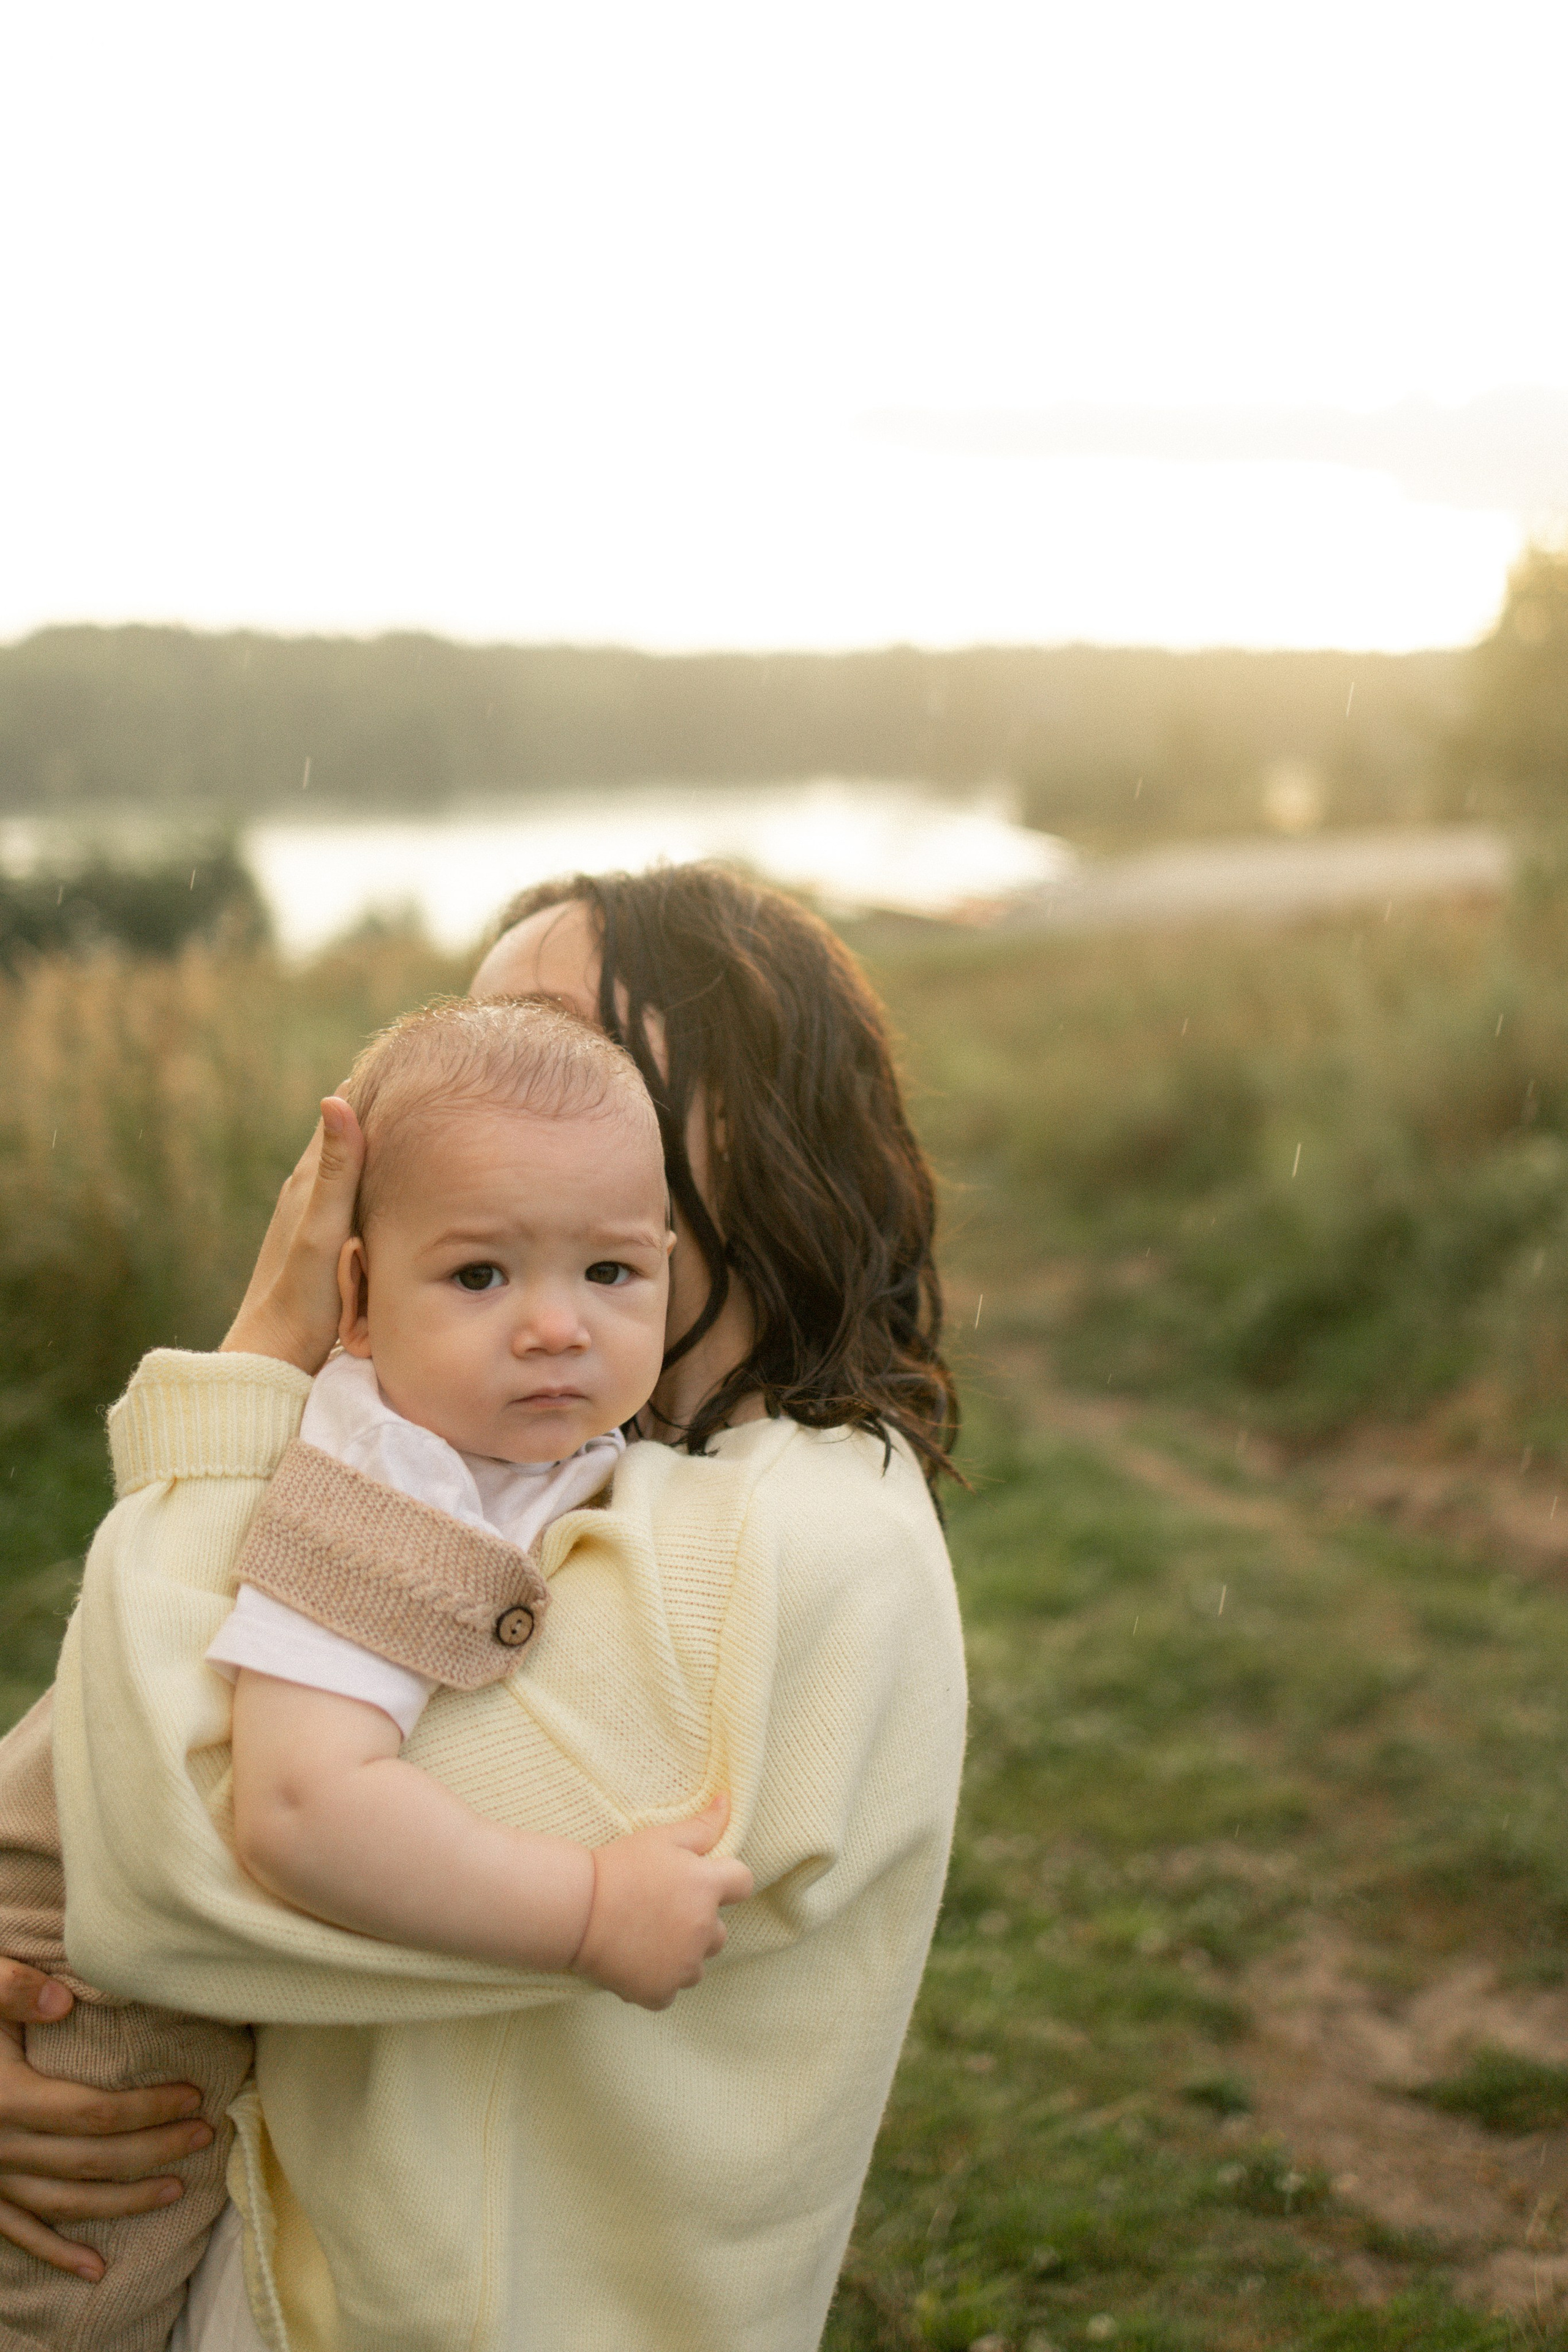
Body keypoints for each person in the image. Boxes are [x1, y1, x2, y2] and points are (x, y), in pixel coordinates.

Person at [8, 865, 967, 2352]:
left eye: (552, 1039)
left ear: (753, 1112)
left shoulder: (779, 1541)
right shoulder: (557, 1469)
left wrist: (259, 1361)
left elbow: (171, 1849)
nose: (494, 1099)